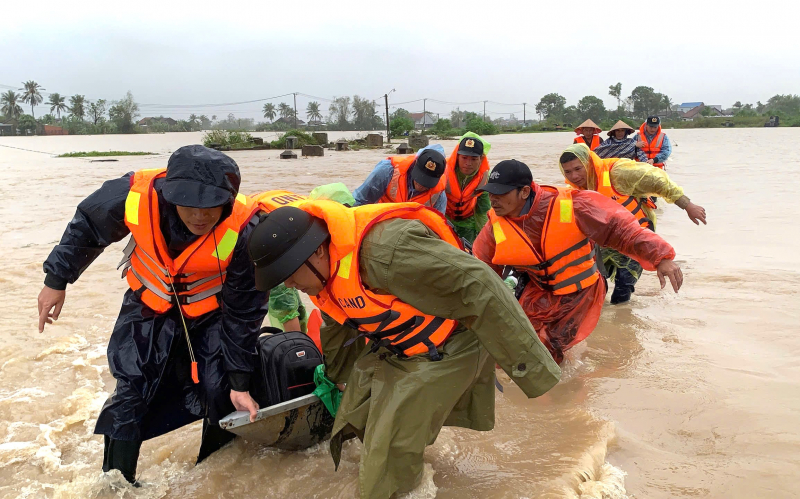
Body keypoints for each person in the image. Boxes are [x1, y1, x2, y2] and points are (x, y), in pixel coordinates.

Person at [247, 198, 560, 499]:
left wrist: (532, 374)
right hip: (397, 343)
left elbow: (480, 285)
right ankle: (412, 463)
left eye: (289, 274)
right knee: (357, 412)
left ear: (316, 251)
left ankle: (404, 486)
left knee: (384, 464)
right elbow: (337, 323)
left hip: (451, 341)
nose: (288, 285)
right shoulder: (324, 271)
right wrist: (338, 378)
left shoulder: (386, 252)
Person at [37, 145, 269, 484]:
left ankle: (212, 477)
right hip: (148, 305)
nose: (200, 216)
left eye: (211, 206)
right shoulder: (132, 195)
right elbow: (86, 226)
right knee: (132, 387)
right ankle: (117, 484)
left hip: (212, 314)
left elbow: (244, 310)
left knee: (220, 389)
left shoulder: (248, 228)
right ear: (169, 193)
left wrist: (239, 380)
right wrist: (57, 280)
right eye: (189, 204)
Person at [473, 160, 684, 363]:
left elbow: (622, 230)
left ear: (525, 191)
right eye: (491, 193)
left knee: (549, 348)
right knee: (515, 343)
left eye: (501, 193)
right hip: (537, 292)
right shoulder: (494, 225)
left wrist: (661, 257)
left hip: (578, 292)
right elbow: (480, 269)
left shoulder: (574, 204)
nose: (493, 199)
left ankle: (565, 394)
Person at [559, 143, 707, 303]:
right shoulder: (570, 193)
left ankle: (621, 320)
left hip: (635, 237)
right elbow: (563, 225)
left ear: (589, 163)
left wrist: (687, 205)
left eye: (578, 169)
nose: (574, 176)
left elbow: (658, 180)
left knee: (623, 288)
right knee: (595, 286)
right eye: (568, 172)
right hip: (604, 243)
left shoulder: (619, 172)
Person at [352, 144, 447, 214]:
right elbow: (360, 201)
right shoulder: (387, 171)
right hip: (381, 221)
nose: (421, 185)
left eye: (427, 182)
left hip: (412, 230)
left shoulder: (439, 194)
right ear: (415, 163)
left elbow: (438, 225)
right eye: (420, 178)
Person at [444, 132, 492, 243]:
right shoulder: (443, 172)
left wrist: (485, 238)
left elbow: (483, 210)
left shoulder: (484, 178)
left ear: (481, 159)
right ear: (457, 156)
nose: (468, 163)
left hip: (468, 223)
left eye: (474, 159)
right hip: (445, 219)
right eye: (464, 158)